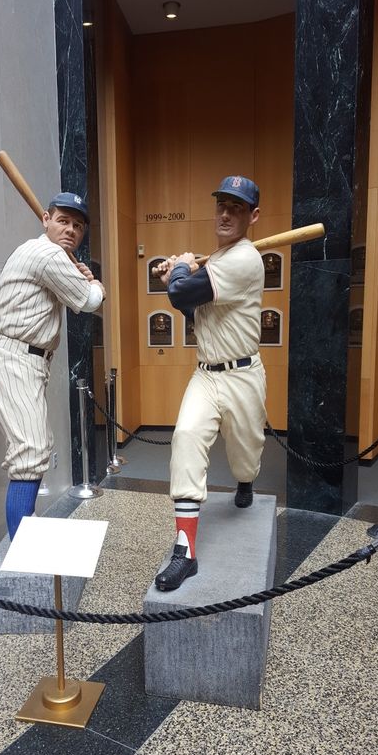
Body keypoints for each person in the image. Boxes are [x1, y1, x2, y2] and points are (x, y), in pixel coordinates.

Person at [154, 175, 266, 591]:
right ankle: (186, 550)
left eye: (236, 207)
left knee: (245, 457)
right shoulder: (219, 260)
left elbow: (185, 295)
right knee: (185, 436)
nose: (225, 213)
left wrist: (180, 269)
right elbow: (193, 310)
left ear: (252, 216)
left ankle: (245, 480)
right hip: (206, 373)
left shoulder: (244, 260)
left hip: (242, 376)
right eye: (221, 204)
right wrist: (178, 278)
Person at [0, 192, 106, 540]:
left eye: (77, 225)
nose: (70, 230)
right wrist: (94, 280)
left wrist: (76, 274)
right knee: (31, 449)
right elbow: (89, 300)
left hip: (23, 356)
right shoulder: (47, 254)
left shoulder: (44, 252)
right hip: (13, 356)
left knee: (35, 446)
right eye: (63, 221)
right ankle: (22, 544)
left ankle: (26, 526)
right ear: (45, 219)